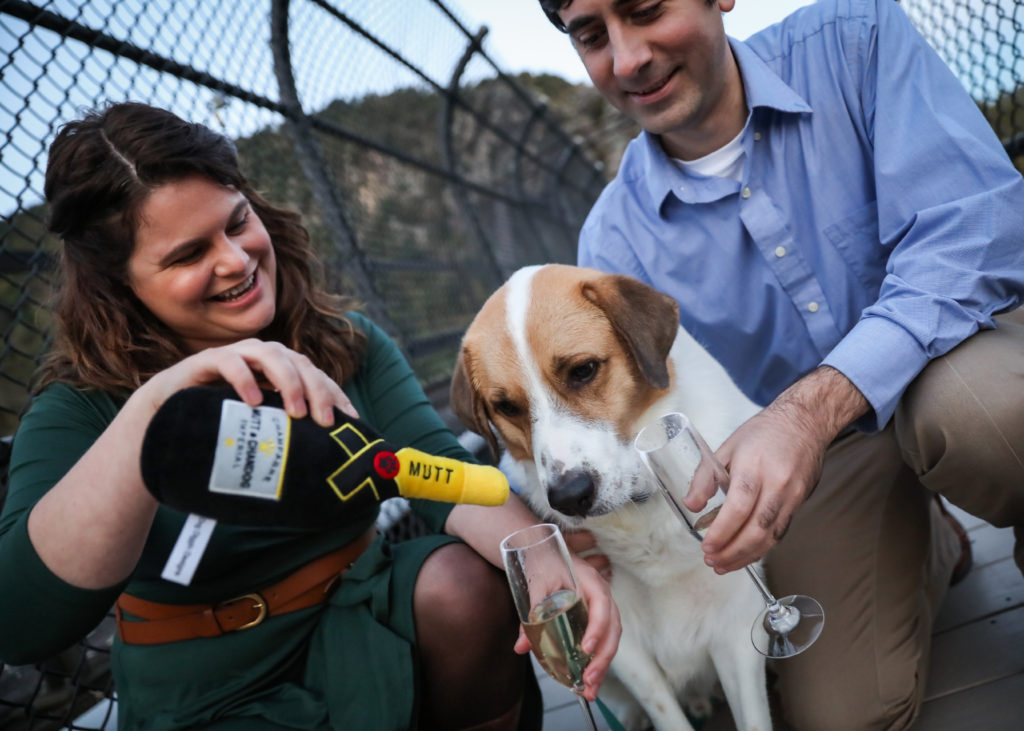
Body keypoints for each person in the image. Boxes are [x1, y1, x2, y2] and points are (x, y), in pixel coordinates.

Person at [0, 101, 621, 730]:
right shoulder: (82, 406)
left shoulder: (343, 343)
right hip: (206, 681)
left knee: (466, 583)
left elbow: (436, 468)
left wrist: (541, 561)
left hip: (364, 617)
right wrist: (156, 406)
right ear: (120, 284)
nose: (235, 260)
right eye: (188, 255)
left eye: (237, 222)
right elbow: (23, 624)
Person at [537, 0, 1024, 728]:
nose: (628, 58)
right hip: (817, 467)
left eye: (645, 9)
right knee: (842, 716)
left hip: (955, 361)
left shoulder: (857, 40)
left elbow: (981, 230)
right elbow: (626, 419)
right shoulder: (610, 245)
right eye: (591, 34)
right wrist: (574, 522)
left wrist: (812, 408)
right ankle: (929, 540)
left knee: (986, 417)